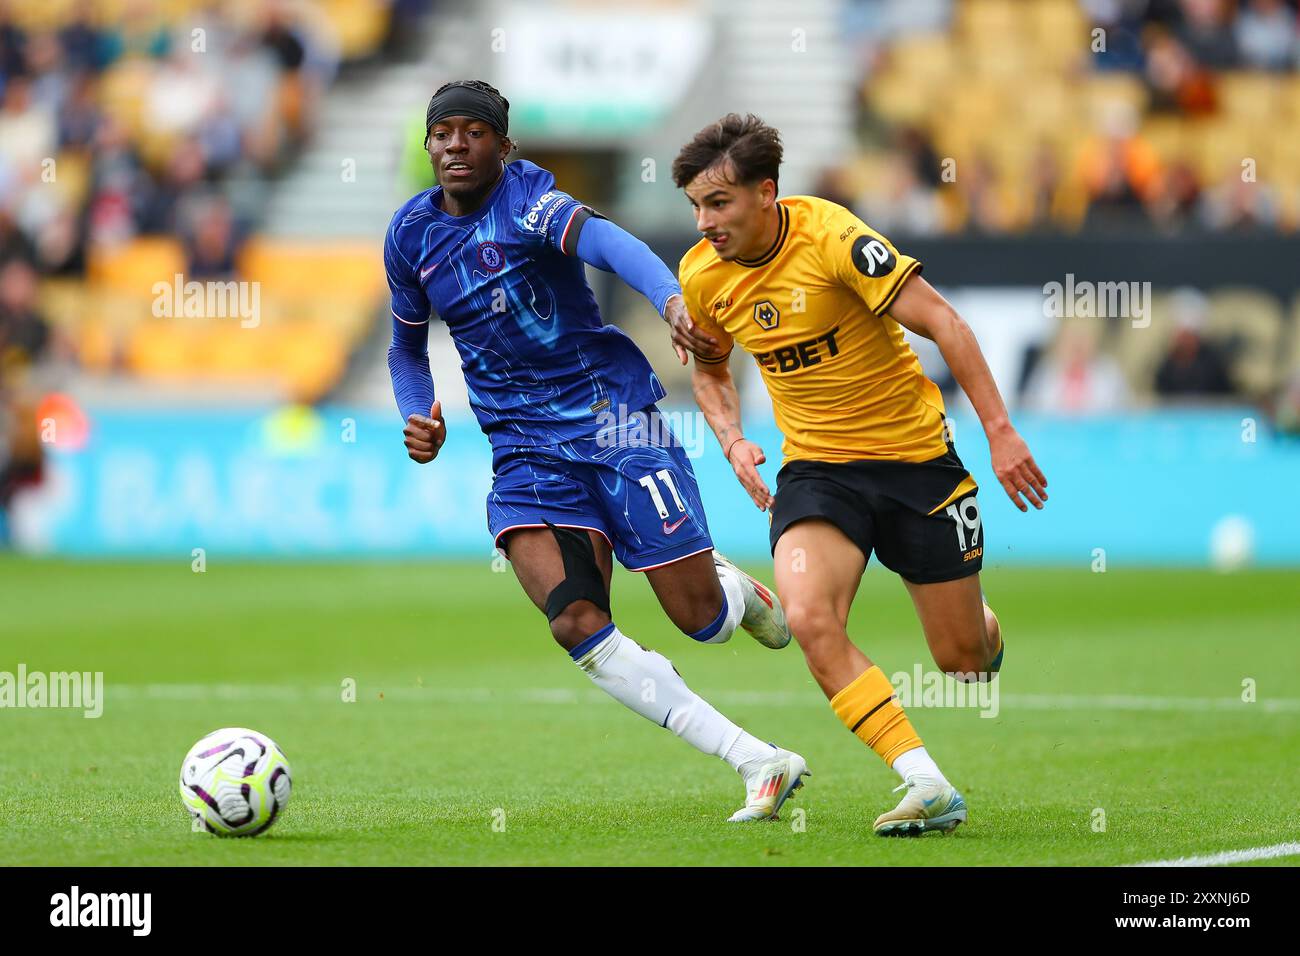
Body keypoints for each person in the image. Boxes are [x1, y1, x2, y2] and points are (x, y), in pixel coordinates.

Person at [385, 83, 807, 821]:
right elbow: (405, 349)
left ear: (503, 147)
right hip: (523, 451)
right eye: (442, 133)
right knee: (574, 620)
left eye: (473, 132)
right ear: (428, 146)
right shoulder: (409, 236)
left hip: (615, 424)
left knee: (698, 620)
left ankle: (732, 591)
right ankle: (757, 759)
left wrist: (672, 302)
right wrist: (416, 411)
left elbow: (614, 245)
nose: (455, 144)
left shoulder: (532, 204)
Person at [669, 114, 1048, 836]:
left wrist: (1001, 434)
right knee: (811, 618)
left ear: (766, 192)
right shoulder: (702, 276)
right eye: (695, 206)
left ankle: (980, 624)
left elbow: (946, 323)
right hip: (818, 471)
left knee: (965, 662)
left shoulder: (834, 238)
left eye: (718, 204)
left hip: (916, 464)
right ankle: (926, 782)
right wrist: (732, 439)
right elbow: (713, 371)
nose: (704, 221)